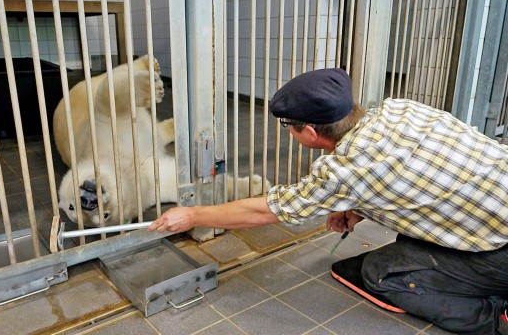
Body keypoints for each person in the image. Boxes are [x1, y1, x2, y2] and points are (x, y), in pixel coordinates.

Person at [147, 68, 508, 335]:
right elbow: (420, 174)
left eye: (287, 125)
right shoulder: (400, 109)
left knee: (379, 275)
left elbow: (267, 209)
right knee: (406, 245)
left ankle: (494, 320)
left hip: (500, 251)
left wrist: (192, 214)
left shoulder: (344, 170)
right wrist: (356, 205)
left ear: (308, 132)